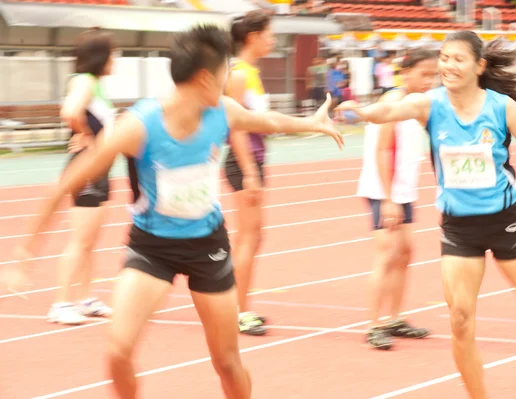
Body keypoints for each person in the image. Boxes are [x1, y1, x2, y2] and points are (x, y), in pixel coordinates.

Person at [5, 24, 343, 399]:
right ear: (203, 77)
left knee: (227, 362)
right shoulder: (137, 126)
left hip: (208, 247)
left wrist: (311, 123)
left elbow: (268, 121)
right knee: (117, 351)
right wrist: (26, 251)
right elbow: (63, 186)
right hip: (152, 249)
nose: (228, 78)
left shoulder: (222, 110)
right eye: (223, 71)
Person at [337, 30, 516, 398]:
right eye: (444, 58)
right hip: (458, 228)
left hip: (505, 220)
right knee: (460, 320)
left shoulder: (502, 107)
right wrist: (362, 111)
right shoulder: (430, 104)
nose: (448, 66)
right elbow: (392, 110)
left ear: (479, 66)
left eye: (458, 59)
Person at [356, 48, 438, 350]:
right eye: (423, 74)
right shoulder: (393, 102)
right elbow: (381, 149)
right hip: (383, 189)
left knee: (405, 253)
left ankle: (393, 317)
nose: (429, 80)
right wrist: (389, 199)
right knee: (387, 253)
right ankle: (373, 324)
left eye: (433, 75)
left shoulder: (417, 104)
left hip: (403, 189)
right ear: (406, 73)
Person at [48, 28, 115, 325]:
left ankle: (86, 299)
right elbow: (69, 111)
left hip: (99, 170)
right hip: (85, 168)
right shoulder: (85, 81)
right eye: (113, 53)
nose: (116, 59)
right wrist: (85, 135)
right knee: (79, 240)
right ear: (101, 56)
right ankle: (61, 303)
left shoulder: (96, 86)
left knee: (89, 241)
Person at [223, 10, 275, 336]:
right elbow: (235, 128)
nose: (273, 40)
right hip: (244, 164)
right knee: (247, 239)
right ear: (253, 37)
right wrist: (248, 172)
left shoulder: (251, 73)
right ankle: (237, 312)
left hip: (254, 162)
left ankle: (239, 305)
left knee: (253, 238)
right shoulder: (239, 74)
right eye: (269, 34)